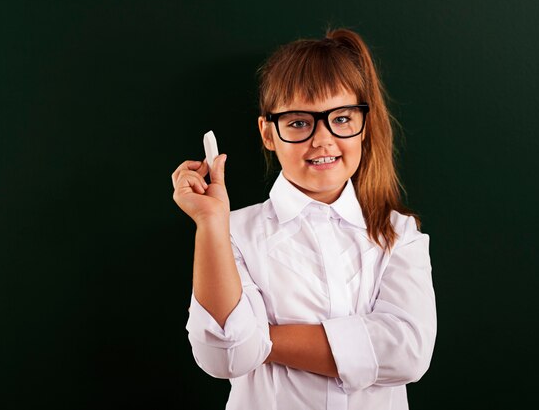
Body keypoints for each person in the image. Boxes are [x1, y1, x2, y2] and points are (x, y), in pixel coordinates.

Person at [171, 27, 437, 410]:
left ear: (364, 124)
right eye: (298, 123)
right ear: (268, 133)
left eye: (342, 119)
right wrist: (212, 223)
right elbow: (225, 358)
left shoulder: (399, 234)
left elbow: (408, 352)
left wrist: (262, 338)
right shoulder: (234, 235)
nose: (323, 139)